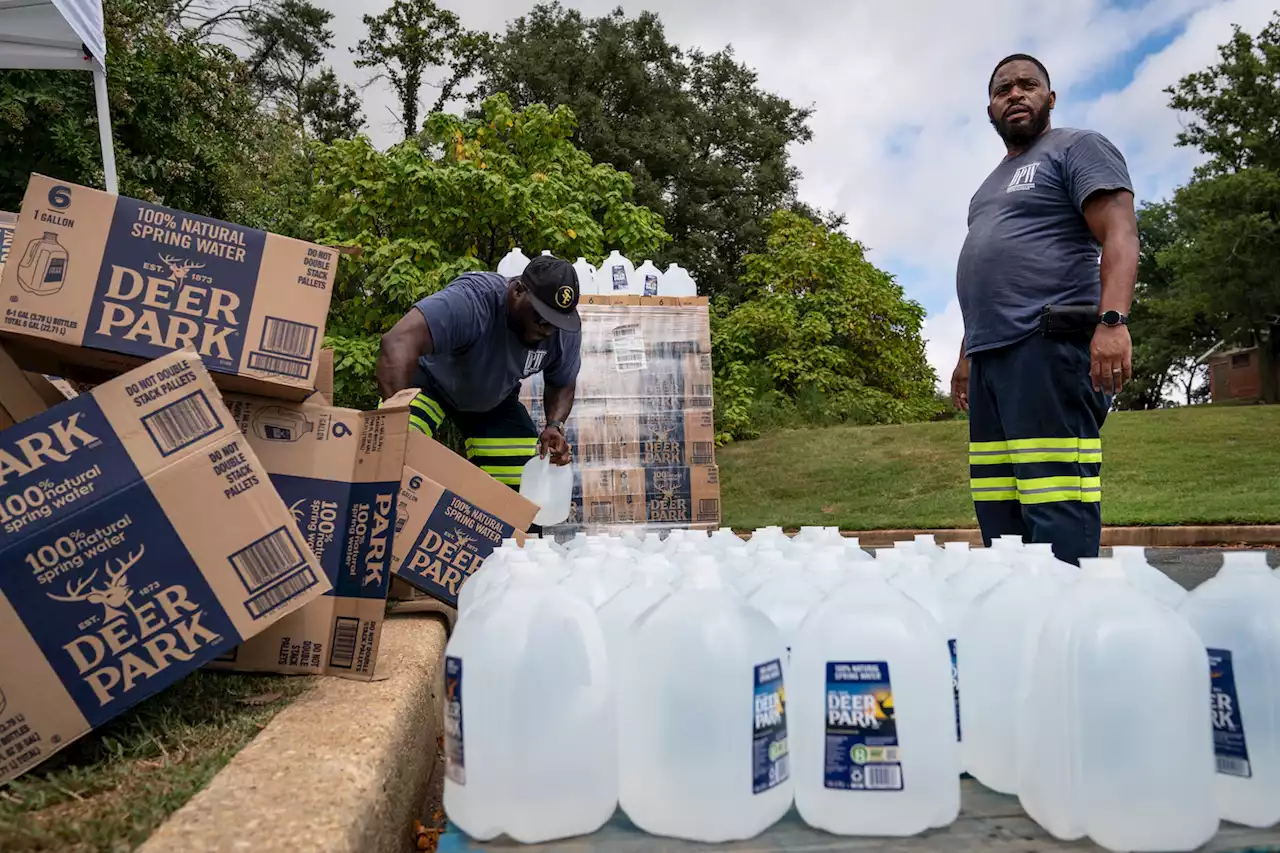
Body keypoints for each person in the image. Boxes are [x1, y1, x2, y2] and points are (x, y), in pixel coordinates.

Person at [951, 53, 1139, 565]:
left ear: (1049, 99)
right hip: (992, 359)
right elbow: (986, 273)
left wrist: (1113, 321)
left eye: (1027, 84)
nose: (1015, 93)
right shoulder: (985, 189)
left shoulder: (1078, 148)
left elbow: (1119, 234)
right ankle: (1019, 624)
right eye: (1002, 89)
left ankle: (1069, 631)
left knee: (1054, 498)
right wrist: (968, 355)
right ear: (989, 109)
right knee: (999, 509)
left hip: (1047, 346)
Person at [375, 254, 581, 490]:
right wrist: (397, 415)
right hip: (430, 384)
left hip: (493, 399)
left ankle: (503, 526)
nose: (548, 330)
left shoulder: (562, 331)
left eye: (556, 322)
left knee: (522, 475)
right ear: (517, 291)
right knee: (390, 450)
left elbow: (562, 382)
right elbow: (396, 343)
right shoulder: (472, 301)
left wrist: (554, 426)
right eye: (542, 317)